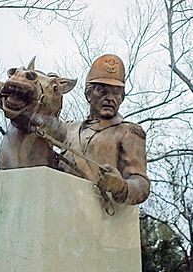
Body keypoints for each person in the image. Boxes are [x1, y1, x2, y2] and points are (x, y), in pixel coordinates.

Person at [51, 54, 150, 205]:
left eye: (116, 93)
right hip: (63, 212)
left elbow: (141, 185)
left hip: (101, 221)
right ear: (88, 94)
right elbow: (38, 124)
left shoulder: (128, 132)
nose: (110, 98)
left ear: (122, 98)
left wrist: (121, 187)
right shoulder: (69, 129)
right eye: (102, 91)